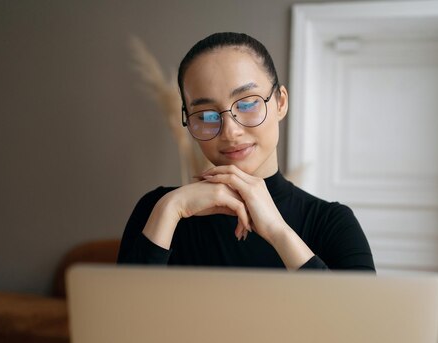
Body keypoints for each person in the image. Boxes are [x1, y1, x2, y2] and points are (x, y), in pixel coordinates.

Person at [117, 32, 374, 271]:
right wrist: (171, 208)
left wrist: (277, 231)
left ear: (280, 102)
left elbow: (359, 319)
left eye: (248, 103)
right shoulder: (159, 210)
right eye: (206, 115)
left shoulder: (332, 223)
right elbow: (119, 317)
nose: (230, 131)